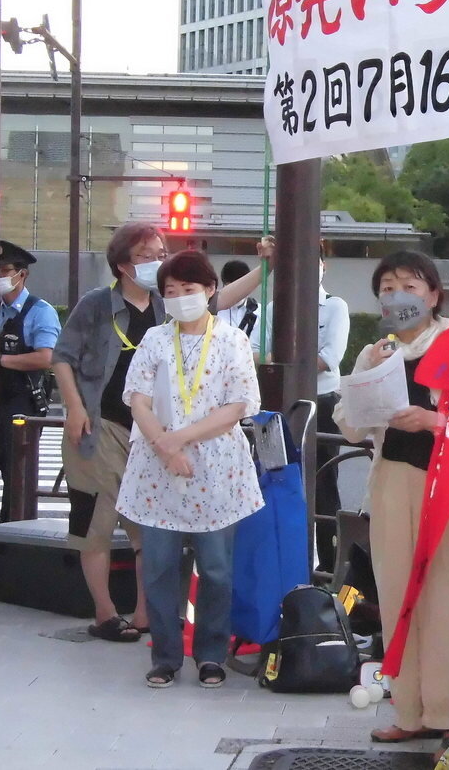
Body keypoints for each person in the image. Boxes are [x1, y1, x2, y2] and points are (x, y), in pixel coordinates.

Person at [334, 250, 449, 745]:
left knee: (444, 598)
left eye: (409, 286)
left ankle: (448, 711)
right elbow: (349, 425)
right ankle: (408, 710)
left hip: (445, 482)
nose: (397, 296)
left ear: (433, 295)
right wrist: (368, 395)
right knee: (393, 592)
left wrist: (434, 420)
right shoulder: (376, 352)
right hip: (391, 480)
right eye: (387, 288)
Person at [115, 250, 264, 688]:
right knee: (159, 568)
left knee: (216, 568)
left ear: (210, 290)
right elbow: (138, 399)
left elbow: (237, 406)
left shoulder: (232, 340)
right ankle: (165, 656)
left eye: (189, 289)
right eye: (171, 290)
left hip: (215, 469)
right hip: (157, 469)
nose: (180, 297)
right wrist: (165, 447)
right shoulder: (156, 339)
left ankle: (211, 654)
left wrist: (180, 438)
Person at [53, 223, 165, 642]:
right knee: (96, 520)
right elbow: (62, 357)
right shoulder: (97, 304)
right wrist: (75, 408)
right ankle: (105, 614)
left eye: (161, 254)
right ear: (122, 264)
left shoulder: (166, 304)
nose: (157, 262)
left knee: (148, 526)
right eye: (146, 256)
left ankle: (144, 614)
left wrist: (264, 268)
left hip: (149, 432)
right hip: (100, 426)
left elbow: (217, 298)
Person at [253, 256, 349, 571]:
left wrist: (285, 366)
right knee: (275, 477)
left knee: (323, 483)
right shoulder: (271, 309)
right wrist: (281, 364)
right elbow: (254, 351)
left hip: (322, 402)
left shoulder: (335, 306)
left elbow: (330, 357)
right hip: (278, 404)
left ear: (324, 266)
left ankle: (329, 565)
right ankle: (279, 558)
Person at [0, 240, 61, 522]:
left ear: (22, 274)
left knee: (17, 481)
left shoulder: (40, 311)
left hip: (21, 403)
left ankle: (11, 537)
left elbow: (47, 357)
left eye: (4, 270)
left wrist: (0, 360)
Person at [218, 260, 259, 337]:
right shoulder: (215, 312)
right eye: (232, 288)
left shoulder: (259, 311)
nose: (237, 294)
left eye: (241, 288)